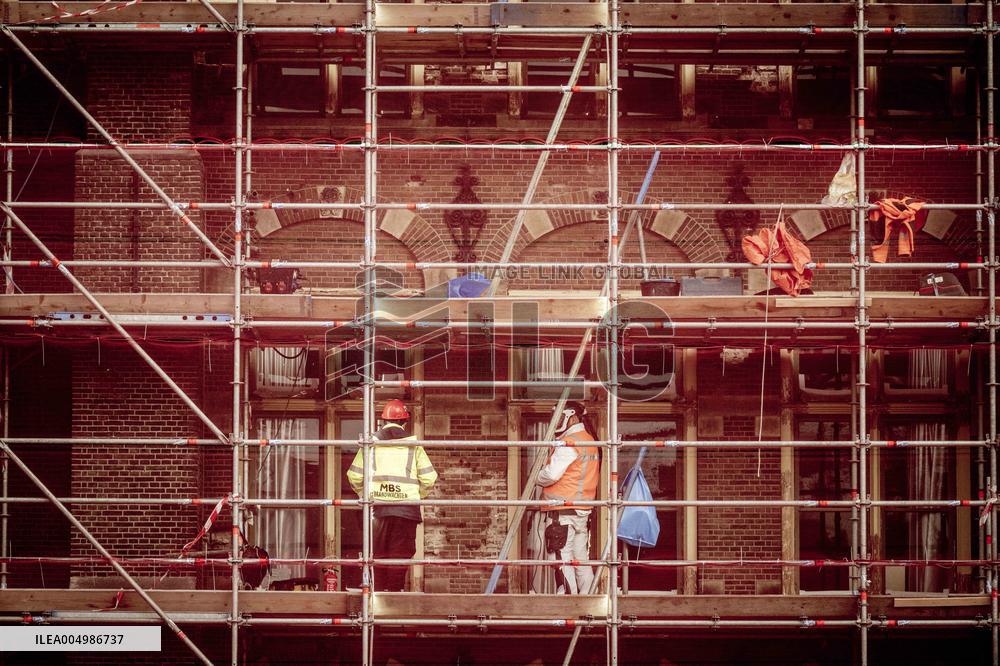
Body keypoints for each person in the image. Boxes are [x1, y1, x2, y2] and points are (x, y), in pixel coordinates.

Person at [347, 399, 437, 592]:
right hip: (405, 510)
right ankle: (394, 599)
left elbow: (354, 475)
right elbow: (429, 478)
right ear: (405, 421)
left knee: (377, 556)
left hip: (377, 509)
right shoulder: (414, 446)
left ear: (383, 421)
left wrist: (367, 494)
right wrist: (415, 495)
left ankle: (376, 600)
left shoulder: (370, 445)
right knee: (399, 557)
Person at [533, 401, 600, 595]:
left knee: (560, 558)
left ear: (570, 417)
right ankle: (588, 600)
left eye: (559, 417)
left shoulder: (569, 443)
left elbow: (551, 475)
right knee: (579, 559)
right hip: (581, 511)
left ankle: (569, 603)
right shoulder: (588, 440)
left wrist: (536, 476)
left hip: (562, 511)